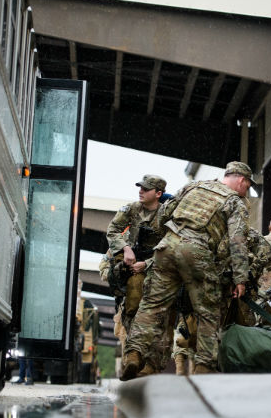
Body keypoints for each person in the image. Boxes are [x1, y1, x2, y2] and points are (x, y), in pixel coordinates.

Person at [121, 161, 252, 379]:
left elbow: (164, 214)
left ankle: (134, 354)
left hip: (167, 246)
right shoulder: (234, 201)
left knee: (152, 304)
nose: (245, 191)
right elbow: (238, 242)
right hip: (196, 251)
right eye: (247, 187)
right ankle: (204, 365)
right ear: (241, 180)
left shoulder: (194, 186)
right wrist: (240, 278)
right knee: (208, 310)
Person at [106, 174, 168, 376]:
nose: (140, 191)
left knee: (160, 315)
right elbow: (113, 230)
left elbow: (172, 246)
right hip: (135, 268)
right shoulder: (131, 209)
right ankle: (133, 358)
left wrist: (148, 263)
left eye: (146, 189)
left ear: (158, 194)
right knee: (132, 307)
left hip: (160, 268)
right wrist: (125, 249)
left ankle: (152, 364)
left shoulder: (167, 214)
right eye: (140, 187)